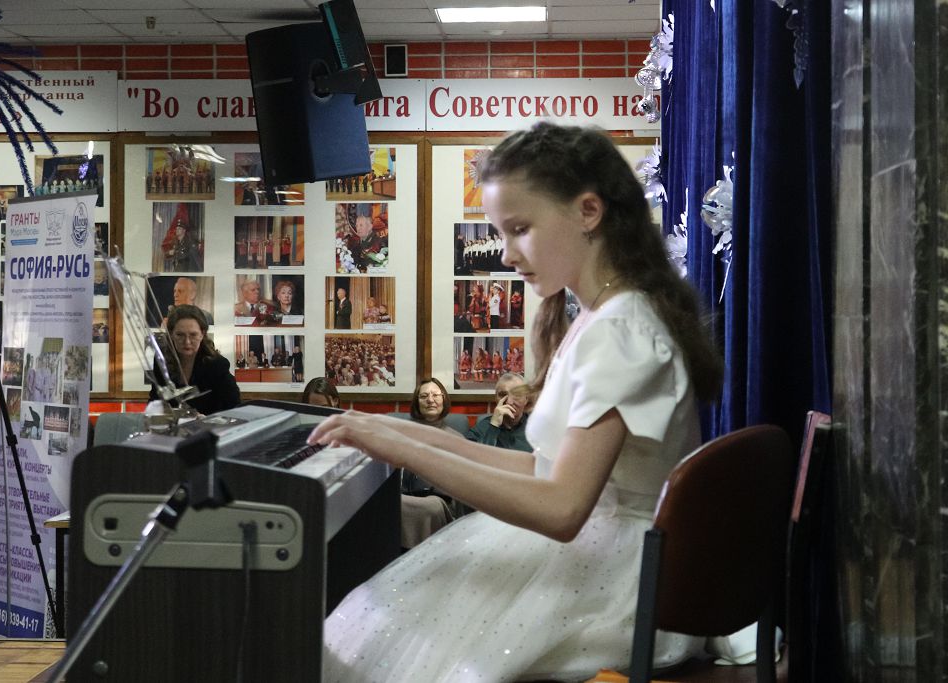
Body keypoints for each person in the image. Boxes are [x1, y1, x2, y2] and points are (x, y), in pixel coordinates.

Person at [309, 122, 724, 681]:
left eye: (520, 230)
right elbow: (542, 468)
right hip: (610, 556)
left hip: (621, 582)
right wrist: (404, 434)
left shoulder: (622, 332)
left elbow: (561, 509)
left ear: (588, 211)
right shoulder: (602, 317)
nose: (506, 254)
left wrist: (406, 450)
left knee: (379, 629)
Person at [399, 378, 463, 548]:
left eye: (435, 395)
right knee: (390, 503)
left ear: (443, 399)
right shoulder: (401, 434)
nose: (430, 400)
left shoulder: (456, 439)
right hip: (404, 495)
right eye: (424, 396)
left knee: (431, 507)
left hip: (440, 501)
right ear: (417, 402)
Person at [150, 305, 240, 416]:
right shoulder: (161, 361)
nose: (187, 342)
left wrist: (207, 419)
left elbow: (234, 407)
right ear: (171, 334)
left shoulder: (217, 365)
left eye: (193, 335)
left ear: (202, 334)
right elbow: (155, 400)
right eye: (180, 335)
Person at [467, 372, 533, 452]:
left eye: (517, 395)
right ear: (496, 399)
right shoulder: (482, 428)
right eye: (503, 395)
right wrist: (493, 426)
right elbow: (471, 456)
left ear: (526, 399)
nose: (509, 402)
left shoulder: (536, 427)